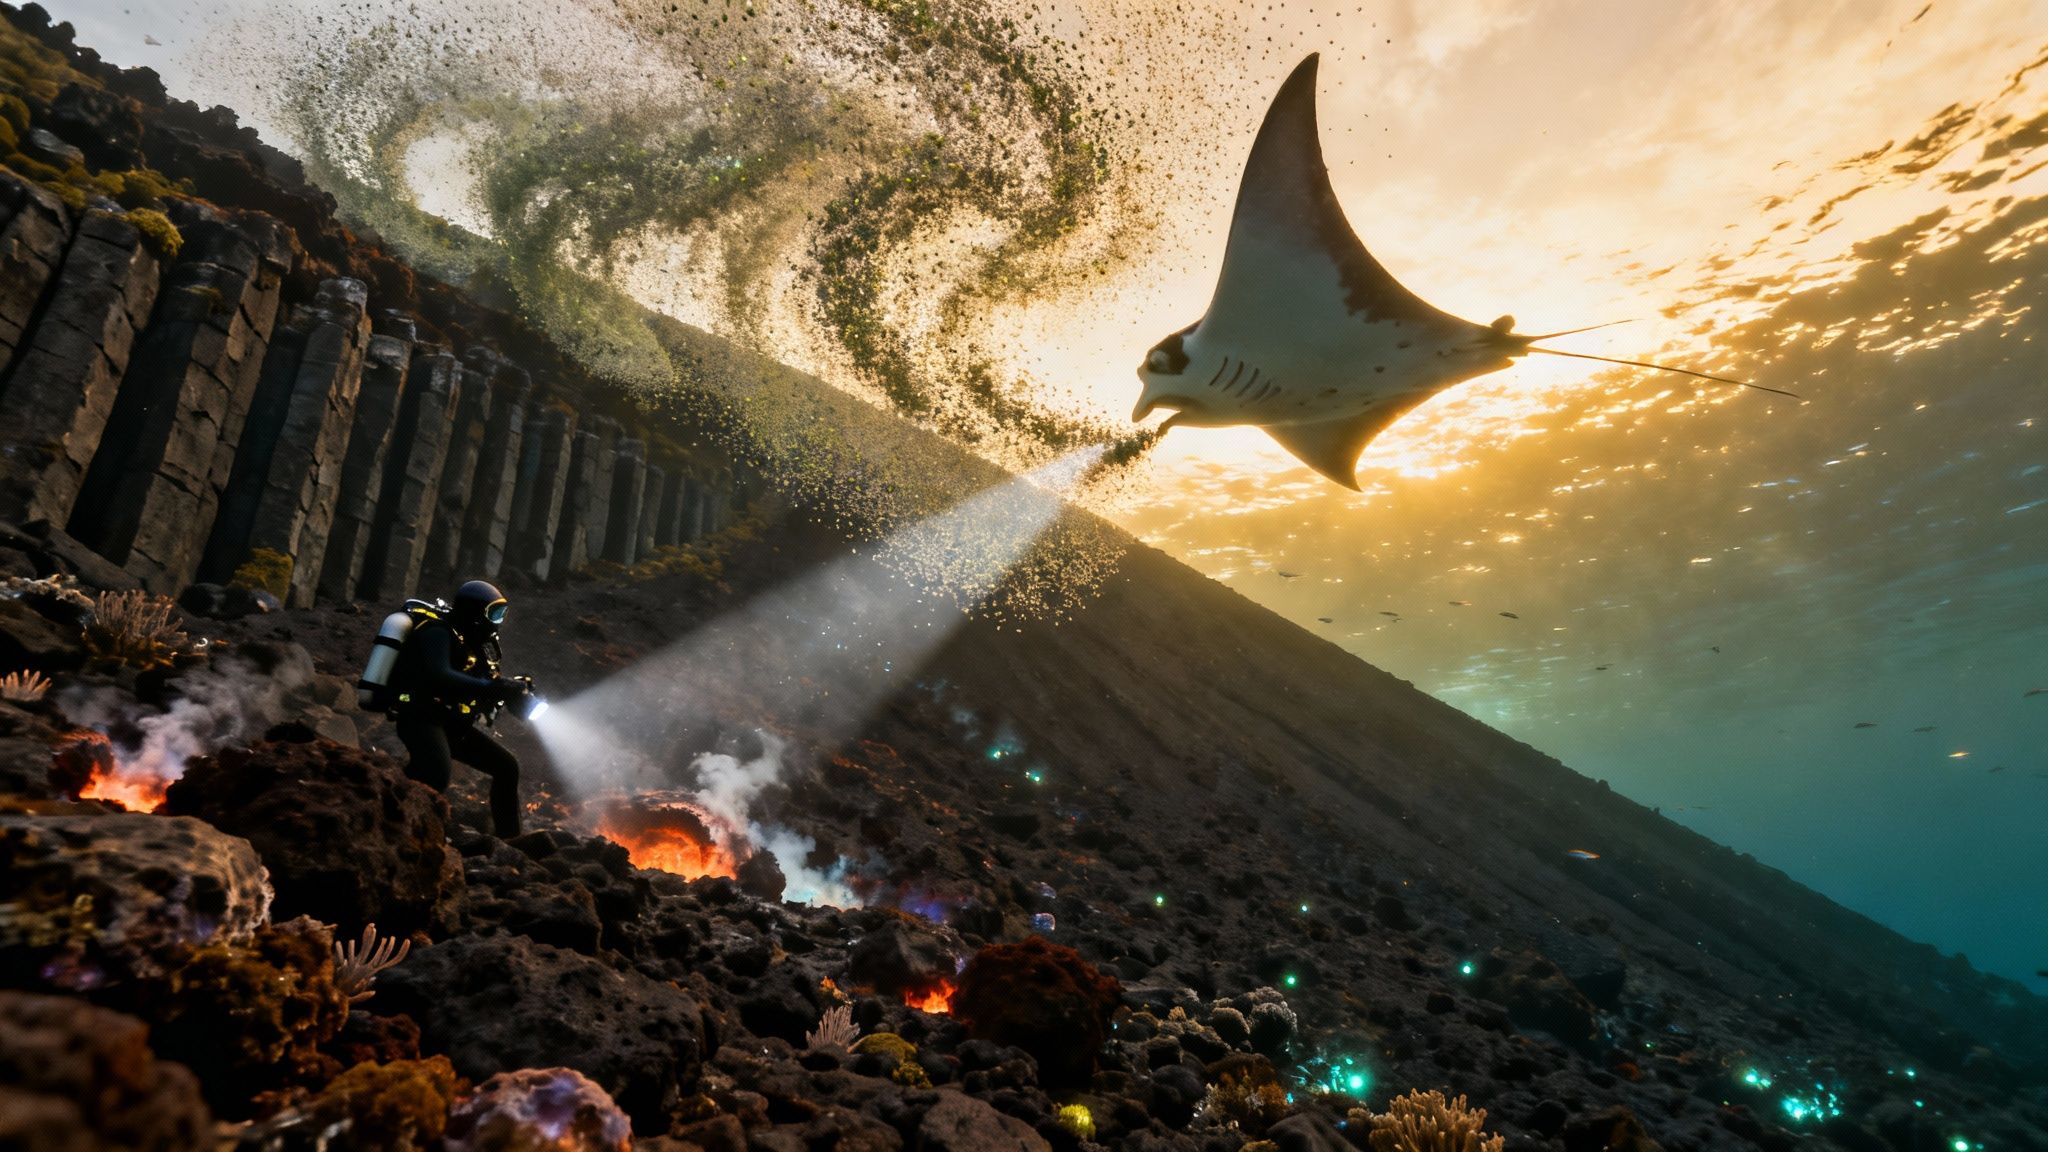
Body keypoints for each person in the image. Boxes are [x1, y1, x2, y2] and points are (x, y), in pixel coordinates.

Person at [385, 579, 536, 838]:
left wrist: (511, 693)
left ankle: (511, 841)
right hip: (421, 718)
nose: (497, 622)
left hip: (450, 722)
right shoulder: (437, 632)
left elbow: (478, 686)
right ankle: (394, 822)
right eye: (493, 613)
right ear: (474, 613)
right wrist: (495, 688)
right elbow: (440, 675)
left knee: (507, 767)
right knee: (435, 774)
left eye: (501, 613)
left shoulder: (473, 643)